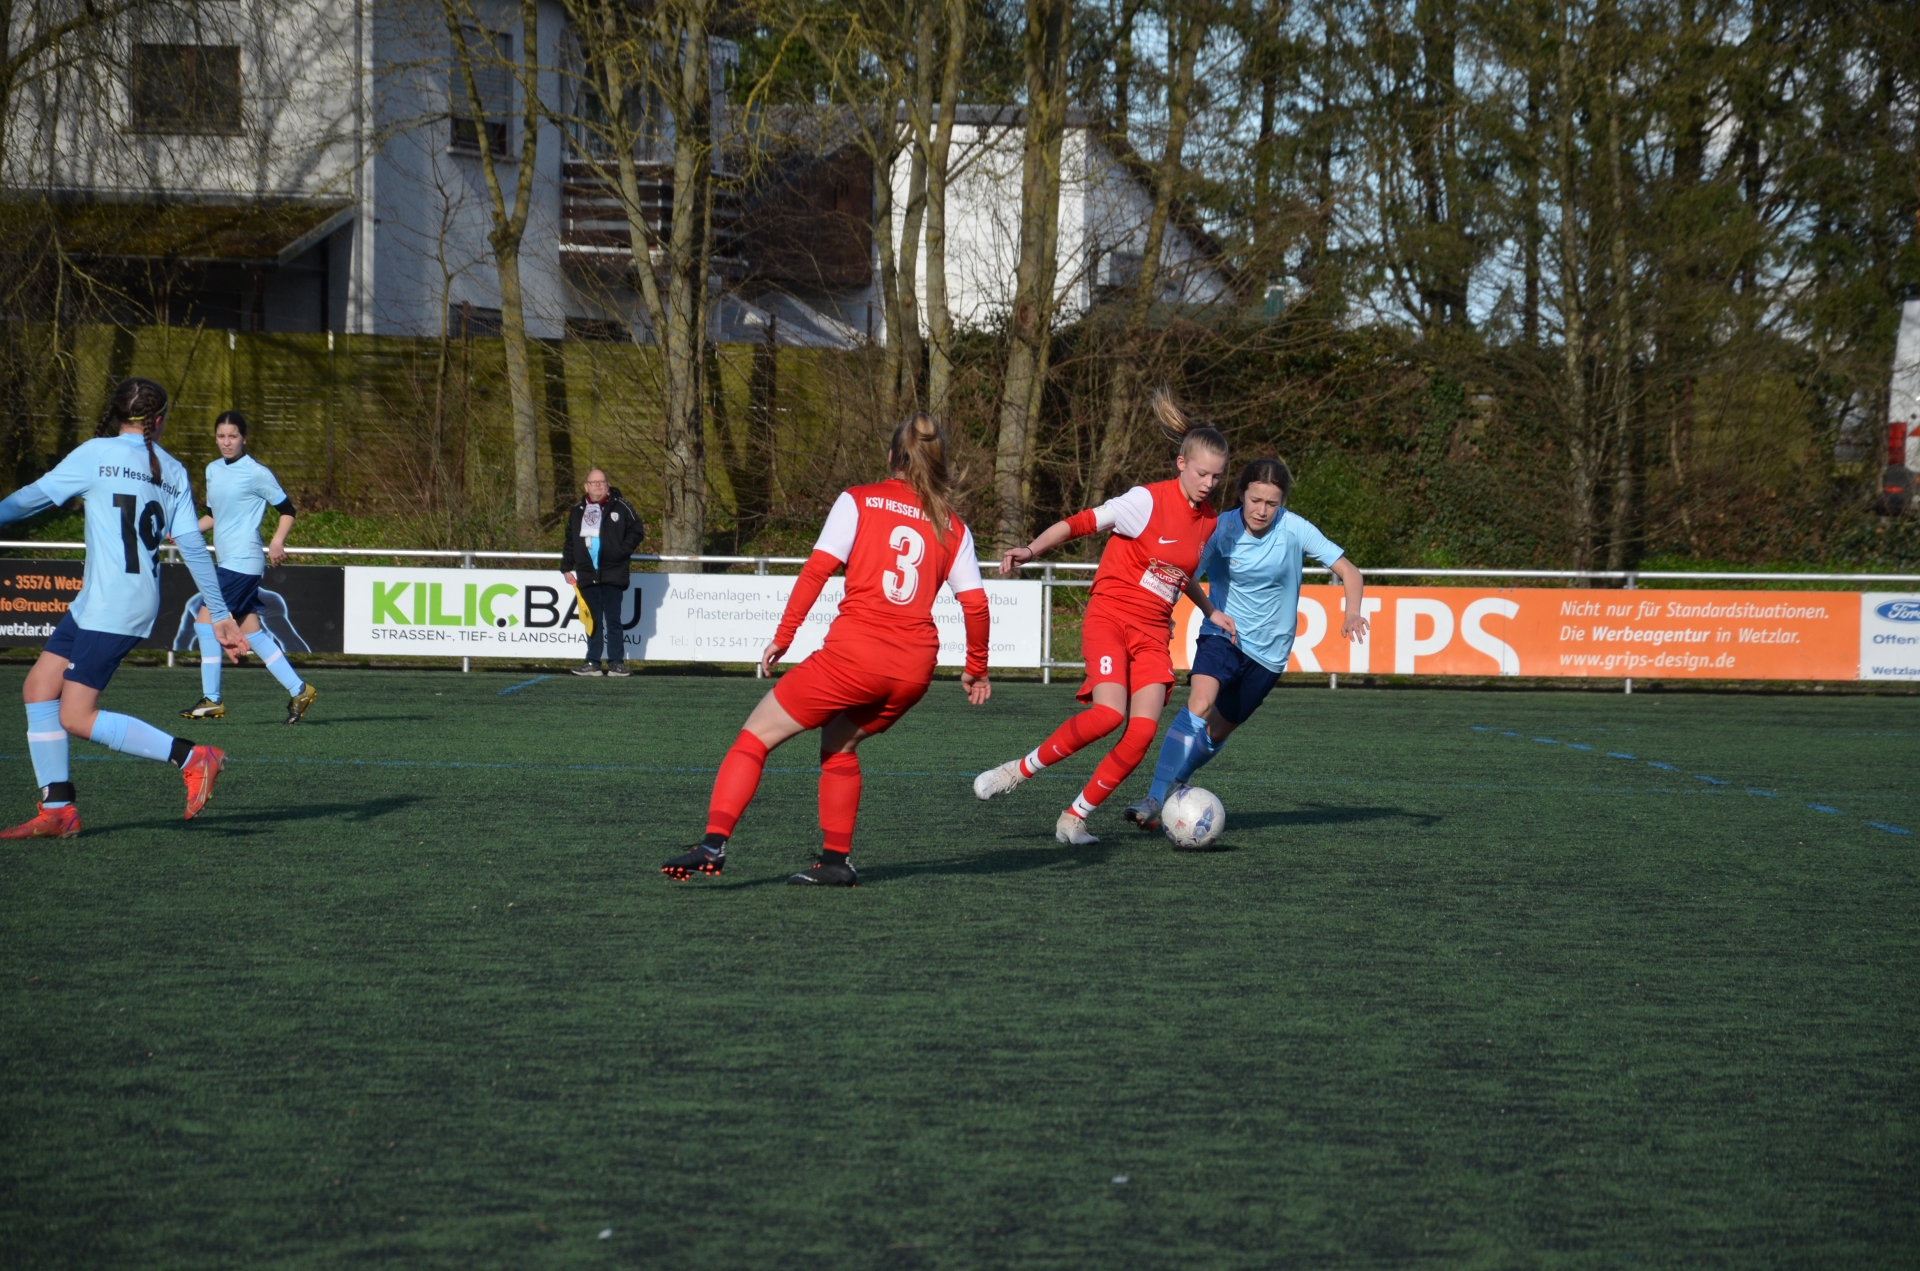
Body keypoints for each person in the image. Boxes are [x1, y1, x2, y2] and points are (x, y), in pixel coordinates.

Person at [661, 414, 992, 887]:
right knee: (840, 744)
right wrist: (976, 667)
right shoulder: (953, 525)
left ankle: (713, 844)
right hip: (912, 671)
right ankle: (836, 861)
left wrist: (785, 634)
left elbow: (817, 572)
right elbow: (976, 605)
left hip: (854, 657)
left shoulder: (858, 500)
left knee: (753, 738)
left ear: (892, 457)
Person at [973, 389, 1227, 844]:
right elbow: (1078, 523)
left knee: (1142, 732)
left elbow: (1178, 574)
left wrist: (1211, 610)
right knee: (1110, 715)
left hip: (1151, 633)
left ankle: (1074, 817)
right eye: (1202, 473)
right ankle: (1018, 770)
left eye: (1216, 476)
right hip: (1110, 617)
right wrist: (1030, 550)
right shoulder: (1145, 501)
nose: (1209, 483)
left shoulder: (1208, 521)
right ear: (1181, 464)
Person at [0, 378, 246, 839]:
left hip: (113, 604)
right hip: (103, 600)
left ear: (117, 415)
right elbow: (194, 549)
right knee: (38, 689)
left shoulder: (95, 454)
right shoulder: (171, 468)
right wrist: (224, 616)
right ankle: (58, 808)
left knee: (74, 714)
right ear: (158, 420)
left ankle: (193, 757)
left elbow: (29, 500)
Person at [1124, 457, 1368, 830]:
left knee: (1218, 732)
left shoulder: (1295, 528)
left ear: (1281, 502)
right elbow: (1186, 573)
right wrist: (1166, 609)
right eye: (1255, 500)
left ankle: (1178, 782)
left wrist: (1352, 612)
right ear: (1241, 494)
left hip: (1270, 655)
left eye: (1272, 503)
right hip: (1224, 634)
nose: (1262, 510)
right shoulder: (1221, 528)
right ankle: (1155, 797)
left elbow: (1350, 571)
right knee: (1200, 703)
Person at [178, 410, 317, 724]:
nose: (226, 443)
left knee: (204, 620)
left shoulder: (256, 472)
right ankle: (300, 689)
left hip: (244, 561)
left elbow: (287, 509)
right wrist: (187, 532)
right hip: (229, 561)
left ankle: (213, 700)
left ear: (244, 438)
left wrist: (278, 541)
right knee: (251, 631)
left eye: (233, 437)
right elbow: (214, 516)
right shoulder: (212, 470)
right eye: (221, 437)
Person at [561, 468, 645, 677]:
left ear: (607, 484)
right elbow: (570, 541)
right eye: (594, 482)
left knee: (614, 620)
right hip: (587, 574)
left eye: (602, 482)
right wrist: (566, 568)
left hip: (613, 573)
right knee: (592, 621)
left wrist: (622, 551)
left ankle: (616, 663)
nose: (598, 485)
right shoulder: (577, 510)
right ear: (586, 486)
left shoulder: (622, 506)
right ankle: (592, 662)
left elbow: (637, 530)